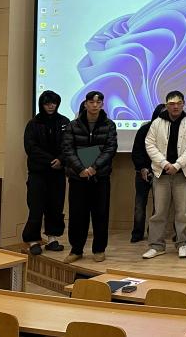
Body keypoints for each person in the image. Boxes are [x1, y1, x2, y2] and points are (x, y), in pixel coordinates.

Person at [142, 90, 186, 260]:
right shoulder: (157, 123)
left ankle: (182, 244)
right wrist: (164, 163)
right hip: (161, 174)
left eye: (179, 103)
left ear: (183, 104)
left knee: (183, 212)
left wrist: (177, 165)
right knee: (159, 212)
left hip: (183, 174)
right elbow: (150, 144)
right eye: (171, 104)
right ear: (166, 105)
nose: (175, 107)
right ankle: (156, 246)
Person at [62, 90, 118, 263]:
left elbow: (110, 148)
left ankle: (99, 249)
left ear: (102, 104)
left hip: (100, 176)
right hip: (78, 177)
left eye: (98, 102)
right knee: (77, 214)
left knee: (100, 214)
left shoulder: (109, 125)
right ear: (85, 104)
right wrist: (80, 169)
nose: (95, 105)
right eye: (91, 102)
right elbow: (67, 149)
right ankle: (76, 250)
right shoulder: (73, 125)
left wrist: (94, 167)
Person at [23, 90, 70, 255]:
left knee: (55, 206)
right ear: (41, 105)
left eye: (54, 103)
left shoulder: (64, 122)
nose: (51, 106)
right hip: (38, 173)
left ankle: (52, 238)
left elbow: (68, 145)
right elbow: (31, 148)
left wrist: (61, 160)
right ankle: (33, 240)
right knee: (36, 206)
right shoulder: (33, 124)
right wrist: (51, 161)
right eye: (47, 103)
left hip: (58, 173)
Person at [130, 104, 163, 243]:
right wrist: (142, 168)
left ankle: (153, 233)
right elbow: (136, 151)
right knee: (139, 204)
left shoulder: (170, 130)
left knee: (158, 206)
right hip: (142, 172)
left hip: (161, 172)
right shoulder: (145, 129)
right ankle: (137, 233)